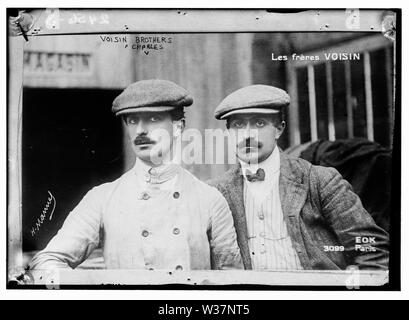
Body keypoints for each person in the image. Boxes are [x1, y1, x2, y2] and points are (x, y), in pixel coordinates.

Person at [29, 79, 243, 271]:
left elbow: (233, 281)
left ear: (178, 127)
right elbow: (47, 261)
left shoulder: (209, 200)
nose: (140, 130)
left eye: (152, 118)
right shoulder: (102, 199)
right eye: (132, 120)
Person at [208, 84, 389, 271]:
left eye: (259, 123)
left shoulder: (320, 181)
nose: (247, 135)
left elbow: (372, 250)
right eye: (238, 125)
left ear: (279, 129)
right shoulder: (216, 192)